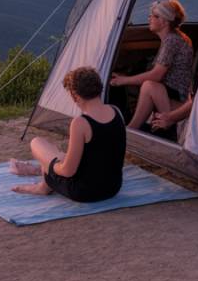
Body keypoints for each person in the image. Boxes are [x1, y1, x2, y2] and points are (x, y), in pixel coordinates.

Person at [10, 66, 126, 202]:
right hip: (112, 187)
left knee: (37, 143)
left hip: (84, 192)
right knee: (61, 156)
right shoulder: (117, 111)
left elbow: (68, 171)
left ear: (74, 95)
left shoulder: (81, 123)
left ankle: (42, 187)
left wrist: (50, 165)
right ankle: (43, 177)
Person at [110, 0, 193, 135]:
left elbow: (157, 75)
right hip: (170, 92)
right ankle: (132, 129)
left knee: (149, 85)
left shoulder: (172, 41)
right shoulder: (173, 38)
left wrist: (123, 80)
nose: (150, 18)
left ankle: (131, 131)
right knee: (145, 84)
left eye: (155, 16)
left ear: (165, 21)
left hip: (177, 98)